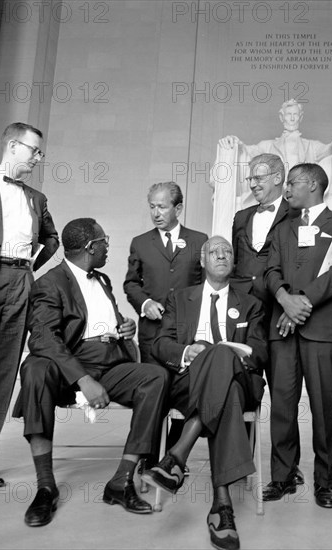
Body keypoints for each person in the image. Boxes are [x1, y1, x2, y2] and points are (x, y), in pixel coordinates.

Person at [12, 218, 169, 527]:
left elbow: (92, 317)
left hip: (111, 360)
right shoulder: (50, 282)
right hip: (72, 363)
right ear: (90, 247)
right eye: (104, 241)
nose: (107, 245)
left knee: (156, 376)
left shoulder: (103, 280)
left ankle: (121, 481)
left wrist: (123, 326)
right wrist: (83, 380)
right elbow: (43, 336)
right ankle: (45, 487)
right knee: (35, 368)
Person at [142, 235, 267, 550]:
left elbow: (261, 352)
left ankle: (176, 457)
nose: (221, 255)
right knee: (227, 395)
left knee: (222, 355)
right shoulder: (180, 298)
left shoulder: (251, 303)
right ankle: (221, 507)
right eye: (214, 251)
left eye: (227, 251)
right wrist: (187, 352)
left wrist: (225, 354)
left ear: (234, 261)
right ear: (202, 261)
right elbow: (160, 344)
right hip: (189, 381)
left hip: (240, 378)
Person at [262, 163, 332, 506]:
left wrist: (302, 303)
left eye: (292, 183)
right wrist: (285, 300)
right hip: (282, 328)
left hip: (323, 330)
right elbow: (270, 270)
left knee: (322, 407)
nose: (286, 189)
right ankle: (282, 477)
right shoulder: (283, 227)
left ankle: (323, 482)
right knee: (283, 408)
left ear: (314, 185)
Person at [0, 122, 59, 487]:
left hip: (20, 283)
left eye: (40, 153)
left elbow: (52, 239)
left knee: (0, 375)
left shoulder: (36, 198)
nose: (38, 158)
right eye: (33, 151)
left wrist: (27, 269)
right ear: (12, 146)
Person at [231, 152, 303, 486]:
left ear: (278, 177)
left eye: (258, 177)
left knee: (284, 395)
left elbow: (305, 263)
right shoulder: (241, 216)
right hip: (246, 319)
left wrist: (292, 304)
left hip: (281, 317)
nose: (253, 184)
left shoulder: (298, 213)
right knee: (242, 387)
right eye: (250, 178)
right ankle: (238, 461)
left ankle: (286, 471)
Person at [124, 181, 207, 454]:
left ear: (178, 208)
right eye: (152, 206)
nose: (156, 213)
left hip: (186, 335)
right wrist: (145, 302)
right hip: (152, 334)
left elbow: (206, 285)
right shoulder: (140, 243)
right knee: (152, 398)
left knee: (185, 395)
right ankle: (146, 460)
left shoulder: (199, 241)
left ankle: (171, 457)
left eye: (162, 206)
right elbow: (131, 283)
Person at [210, 98, 332, 240]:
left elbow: (329, 149)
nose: (292, 118)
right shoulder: (268, 145)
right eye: (288, 114)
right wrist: (236, 143)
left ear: (300, 117)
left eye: (295, 114)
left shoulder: (310, 145)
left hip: (303, 196)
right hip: (275, 195)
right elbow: (248, 151)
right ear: (281, 117)